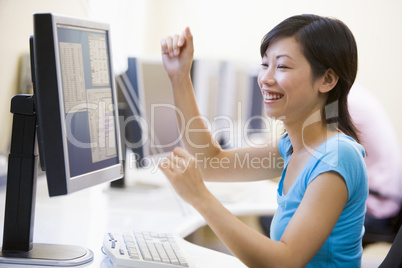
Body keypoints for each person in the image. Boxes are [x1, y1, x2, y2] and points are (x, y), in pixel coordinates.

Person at [159, 14, 368, 267]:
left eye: (282, 67)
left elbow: (285, 262)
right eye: (265, 64)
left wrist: (200, 198)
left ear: (327, 80)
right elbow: (210, 163)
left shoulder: (338, 157)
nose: (266, 78)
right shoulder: (292, 147)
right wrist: (179, 77)